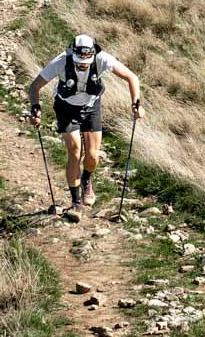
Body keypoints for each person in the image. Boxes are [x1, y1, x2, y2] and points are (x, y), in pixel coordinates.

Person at [27, 33, 143, 217]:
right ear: (72, 54)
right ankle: (76, 203)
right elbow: (34, 86)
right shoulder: (61, 61)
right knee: (74, 151)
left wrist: (136, 103)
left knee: (92, 155)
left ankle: (86, 180)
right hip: (65, 107)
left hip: (91, 106)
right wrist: (35, 108)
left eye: (86, 62)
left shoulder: (102, 59)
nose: (82, 65)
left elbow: (132, 77)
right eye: (79, 61)